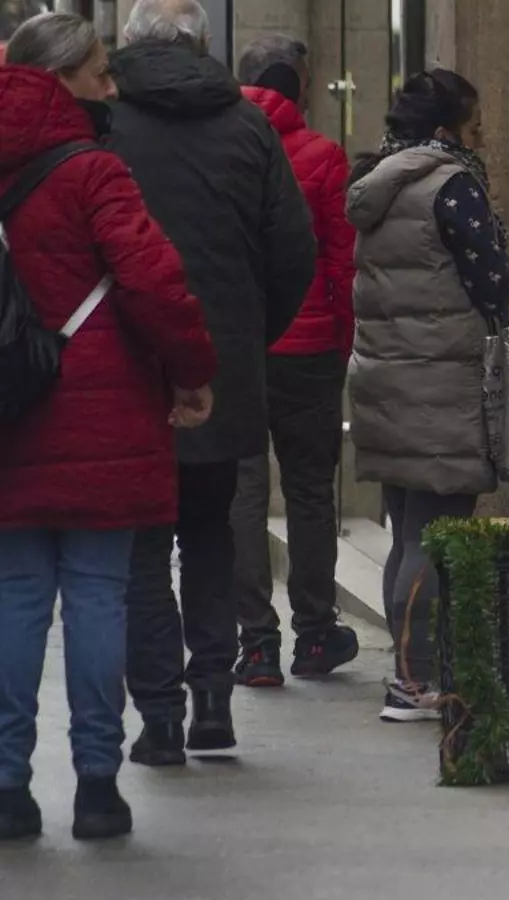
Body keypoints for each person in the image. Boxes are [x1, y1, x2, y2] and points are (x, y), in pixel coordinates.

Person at [0, 12, 216, 839]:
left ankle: (8, 785)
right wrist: (192, 371)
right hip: (105, 412)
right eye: (99, 71)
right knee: (96, 595)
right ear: (60, 79)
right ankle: (97, 785)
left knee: (16, 598)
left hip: (10, 412)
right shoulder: (96, 172)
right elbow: (154, 282)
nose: (111, 85)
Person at [108, 0, 317, 767]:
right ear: (204, 44)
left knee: (140, 549)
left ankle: (160, 716)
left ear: (127, 44)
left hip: (127, 367)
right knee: (209, 533)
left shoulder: (107, 124)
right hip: (221, 366)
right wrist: (244, 337)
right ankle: (213, 701)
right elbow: (293, 251)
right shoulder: (248, 126)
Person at [346, 69, 509, 723]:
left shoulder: (380, 183)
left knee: (407, 533)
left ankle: (408, 672)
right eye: (476, 128)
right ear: (446, 132)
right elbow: (494, 283)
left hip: (388, 379)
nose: (483, 140)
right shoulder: (451, 185)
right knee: (435, 534)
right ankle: (414, 680)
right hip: (440, 384)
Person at [228, 35, 359, 688]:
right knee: (309, 491)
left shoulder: (222, 146)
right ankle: (314, 634)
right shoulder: (323, 155)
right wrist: (342, 336)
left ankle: (256, 643)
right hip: (308, 351)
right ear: (299, 85)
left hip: (238, 348)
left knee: (244, 492)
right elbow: (342, 260)